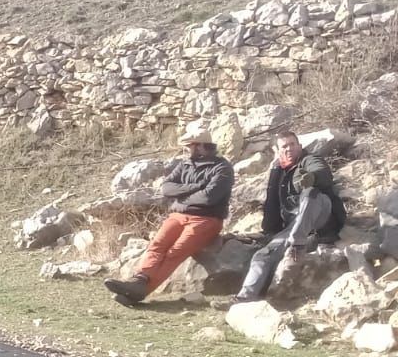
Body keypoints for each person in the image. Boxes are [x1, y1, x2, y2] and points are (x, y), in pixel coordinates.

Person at [103, 127, 235, 305]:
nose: (187, 149)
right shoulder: (185, 164)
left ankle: (140, 292)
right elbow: (167, 188)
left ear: (201, 146)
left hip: (207, 219)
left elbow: (209, 198)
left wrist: (182, 196)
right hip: (178, 215)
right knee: (157, 244)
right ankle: (139, 280)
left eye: (189, 146)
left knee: (175, 252)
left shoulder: (222, 167)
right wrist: (196, 187)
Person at [216, 130, 345, 307]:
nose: (289, 148)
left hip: (321, 218)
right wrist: (269, 231)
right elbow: (272, 203)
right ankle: (245, 297)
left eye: (293, 144)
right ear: (278, 150)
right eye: (284, 146)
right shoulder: (278, 171)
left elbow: (321, 171)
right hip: (294, 224)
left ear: (299, 146)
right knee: (263, 255)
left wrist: (311, 178)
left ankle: (298, 244)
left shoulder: (309, 159)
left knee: (310, 193)